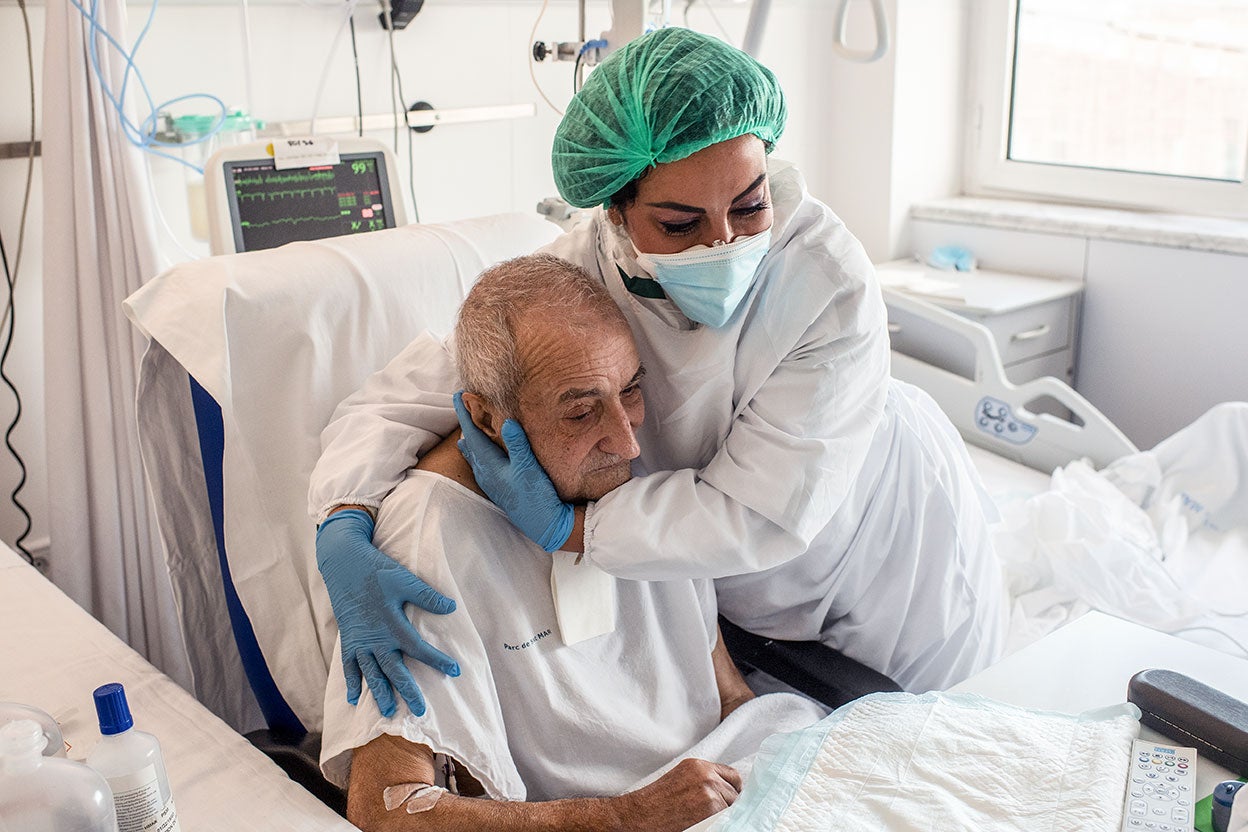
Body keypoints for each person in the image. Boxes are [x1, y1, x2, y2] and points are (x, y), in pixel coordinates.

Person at [310, 27, 1008, 721]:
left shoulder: (826, 281)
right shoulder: (578, 275)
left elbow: (761, 514)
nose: (724, 243)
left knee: (936, 734)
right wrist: (344, 519)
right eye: (679, 223)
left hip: (886, 546)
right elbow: (404, 399)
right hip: (710, 578)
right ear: (615, 211)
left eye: (750, 205)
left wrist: (572, 529)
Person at [320, 253, 825, 832]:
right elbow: (388, 810)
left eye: (630, 390)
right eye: (582, 412)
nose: (627, 443)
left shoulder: (642, 468)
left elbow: (729, 698)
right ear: (486, 420)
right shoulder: (430, 533)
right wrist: (629, 817)